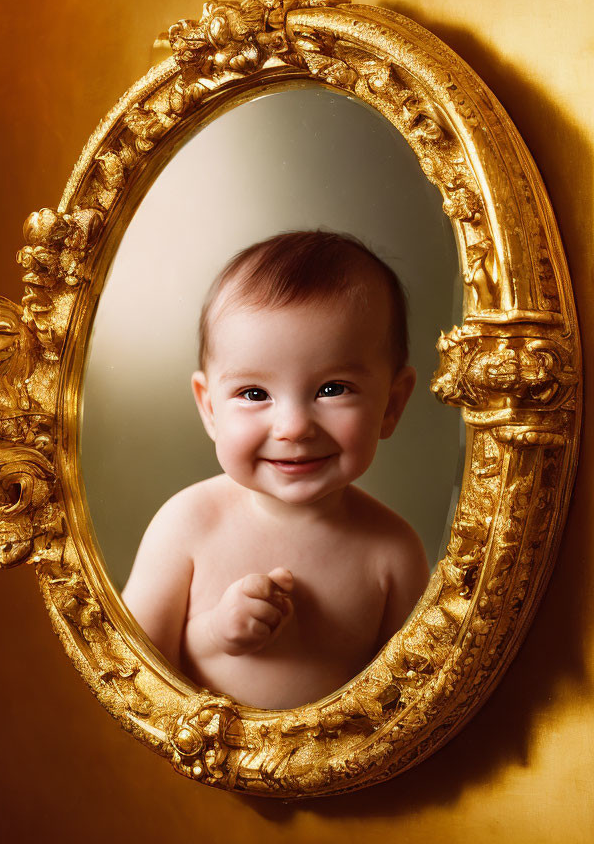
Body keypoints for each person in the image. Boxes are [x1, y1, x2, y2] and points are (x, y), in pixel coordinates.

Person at [122, 231, 430, 709]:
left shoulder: (392, 551)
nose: (292, 427)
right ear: (209, 408)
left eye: (332, 389)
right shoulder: (187, 524)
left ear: (391, 404)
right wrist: (212, 634)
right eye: (254, 394)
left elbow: (413, 696)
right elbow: (129, 670)